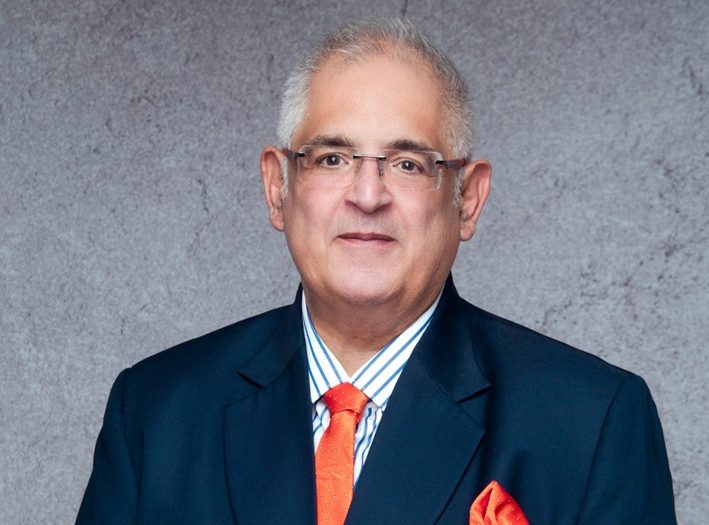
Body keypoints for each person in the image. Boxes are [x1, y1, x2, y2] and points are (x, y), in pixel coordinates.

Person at [77, 18, 676, 524]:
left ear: (467, 199)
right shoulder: (156, 412)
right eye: (332, 158)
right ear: (278, 187)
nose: (367, 195)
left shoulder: (591, 421)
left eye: (409, 163)